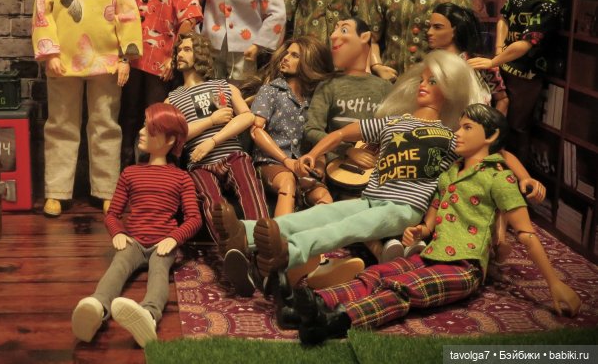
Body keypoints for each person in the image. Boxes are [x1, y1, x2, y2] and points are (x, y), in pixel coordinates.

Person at [213, 52, 540, 299]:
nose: (423, 86)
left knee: (345, 228)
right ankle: (243, 232)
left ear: (450, 90)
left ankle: (289, 252)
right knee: (320, 214)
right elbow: (343, 133)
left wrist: (525, 178)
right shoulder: (393, 122)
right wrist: (314, 152)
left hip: (404, 207)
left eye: (434, 82)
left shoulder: (449, 136)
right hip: (372, 196)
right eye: (423, 79)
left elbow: (500, 154)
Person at [291, 104, 580, 345]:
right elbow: (433, 211)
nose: (458, 134)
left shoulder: (499, 178)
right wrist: (422, 230)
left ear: (490, 136)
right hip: (432, 253)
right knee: (378, 272)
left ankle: (339, 320)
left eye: (467, 128)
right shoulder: (449, 174)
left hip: (465, 265)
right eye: (460, 126)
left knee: (405, 287)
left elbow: (527, 234)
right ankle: (314, 304)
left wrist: (554, 283)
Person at [31, 0, 142, 217]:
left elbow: (128, 17)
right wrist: (51, 54)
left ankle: (107, 191)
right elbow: (42, 17)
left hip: (106, 63)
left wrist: (125, 58)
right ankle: (56, 192)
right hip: (63, 63)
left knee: (105, 126)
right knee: (60, 125)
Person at [71, 103, 201, 348]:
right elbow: (113, 213)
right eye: (143, 125)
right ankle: (97, 307)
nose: (141, 132)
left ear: (170, 139)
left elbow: (194, 218)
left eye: (150, 129)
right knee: (118, 266)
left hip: (163, 244)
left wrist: (174, 238)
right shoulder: (130, 173)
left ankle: (149, 315)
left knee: (159, 272)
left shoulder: (182, 178)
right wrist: (117, 232)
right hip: (134, 241)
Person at [166, 33, 269, 243]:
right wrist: (211, 121)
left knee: (250, 189)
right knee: (212, 203)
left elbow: (247, 116)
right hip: (200, 163)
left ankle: (261, 242)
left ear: (200, 54)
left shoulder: (222, 87)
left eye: (187, 49)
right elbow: (175, 136)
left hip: (231, 154)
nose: (180, 54)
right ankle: (230, 247)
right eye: (178, 50)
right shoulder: (172, 100)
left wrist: (213, 140)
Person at [467, 0, 563, 159]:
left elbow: (526, 44)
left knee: (515, 127)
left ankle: (516, 170)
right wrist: (499, 51)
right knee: (494, 119)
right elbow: (504, 18)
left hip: (525, 74)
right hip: (503, 65)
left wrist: (494, 60)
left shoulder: (548, 4)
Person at [119, 0, 203, 167]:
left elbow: (189, 20)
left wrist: (173, 57)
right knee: (127, 116)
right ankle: (125, 171)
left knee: (154, 118)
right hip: (133, 58)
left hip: (159, 62)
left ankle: (150, 171)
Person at [304, 17, 392, 201]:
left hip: (373, 167)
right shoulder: (328, 85)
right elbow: (311, 129)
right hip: (335, 166)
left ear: (364, 37)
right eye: (334, 30)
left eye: (343, 30)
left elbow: (394, 129)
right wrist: (347, 150)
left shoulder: (384, 87)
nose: (333, 36)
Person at [248, 35, 333, 217]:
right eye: (287, 53)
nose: (285, 58)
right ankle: (280, 233)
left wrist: (319, 166)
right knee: (287, 182)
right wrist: (286, 161)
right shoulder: (271, 91)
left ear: (309, 62)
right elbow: (256, 131)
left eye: (295, 55)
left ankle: (320, 235)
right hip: (271, 163)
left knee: (323, 196)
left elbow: (318, 138)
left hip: (302, 167)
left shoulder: (315, 100)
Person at [427, 2, 508, 114]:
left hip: (474, 120)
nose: (429, 32)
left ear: (455, 31)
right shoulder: (431, 64)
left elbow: (502, 100)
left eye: (437, 27)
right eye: (429, 27)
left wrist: (493, 123)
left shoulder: (478, 64)